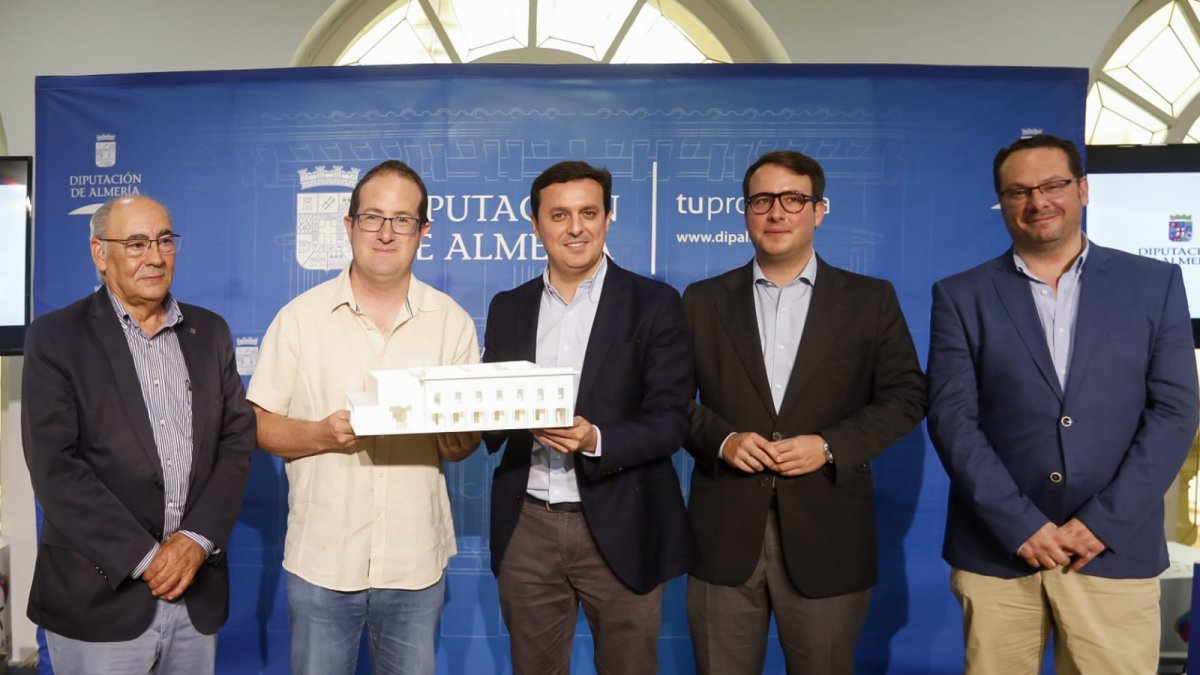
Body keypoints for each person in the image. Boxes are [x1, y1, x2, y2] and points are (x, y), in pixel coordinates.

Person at [927, 133, 1200, 673]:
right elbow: (952, 419)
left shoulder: (1155, 283)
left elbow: (1174, 412)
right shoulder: (961, 295)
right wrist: (1020, 524)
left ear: (1083, 190)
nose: (1038, 202)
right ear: (1002, 202)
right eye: (1019, 191)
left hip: (1113, 550)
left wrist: (1101, 524)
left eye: (1053, 185)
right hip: (998, 553)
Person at [683, 150, 926, 674]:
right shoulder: (700, 301)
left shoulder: (869, 300)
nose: (777, 212)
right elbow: (670, 402)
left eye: (794, 199)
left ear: (819, 210)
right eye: (762, 200)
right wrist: (722, 440)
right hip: (724, 534)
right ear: (745, 211)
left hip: (829, 533)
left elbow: (907, 395)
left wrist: (830, 445)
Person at [247, 160, 480, 674]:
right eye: (373, 217)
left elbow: (462, 446)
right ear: (348, 225)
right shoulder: (299, 320)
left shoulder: (452, 324)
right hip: (322, 560)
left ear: (424, 232)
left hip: (414, 561)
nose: (386, 232)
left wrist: (453, 428)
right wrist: (321, 434)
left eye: (402, 219)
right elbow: (257, 425)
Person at [21, 195, 255, 674]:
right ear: (99, 254)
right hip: (99, 596)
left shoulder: (210, 332)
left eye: (164, 240)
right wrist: (148, 558)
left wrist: (195, 539)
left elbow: (236, 442)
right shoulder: (55, 338)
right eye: (135, 243)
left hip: (195, 591)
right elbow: (55, 468)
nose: (154, 256)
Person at [481, 160, 695, 675]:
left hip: (623, 518)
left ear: (608, 217)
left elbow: (673, 419)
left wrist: (595, 438)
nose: (575, 227)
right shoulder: (508, 306)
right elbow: (490, 414)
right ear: (535, 224)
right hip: (527, 522)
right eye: (559, 215)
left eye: (588, 213)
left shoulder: (655, 303)